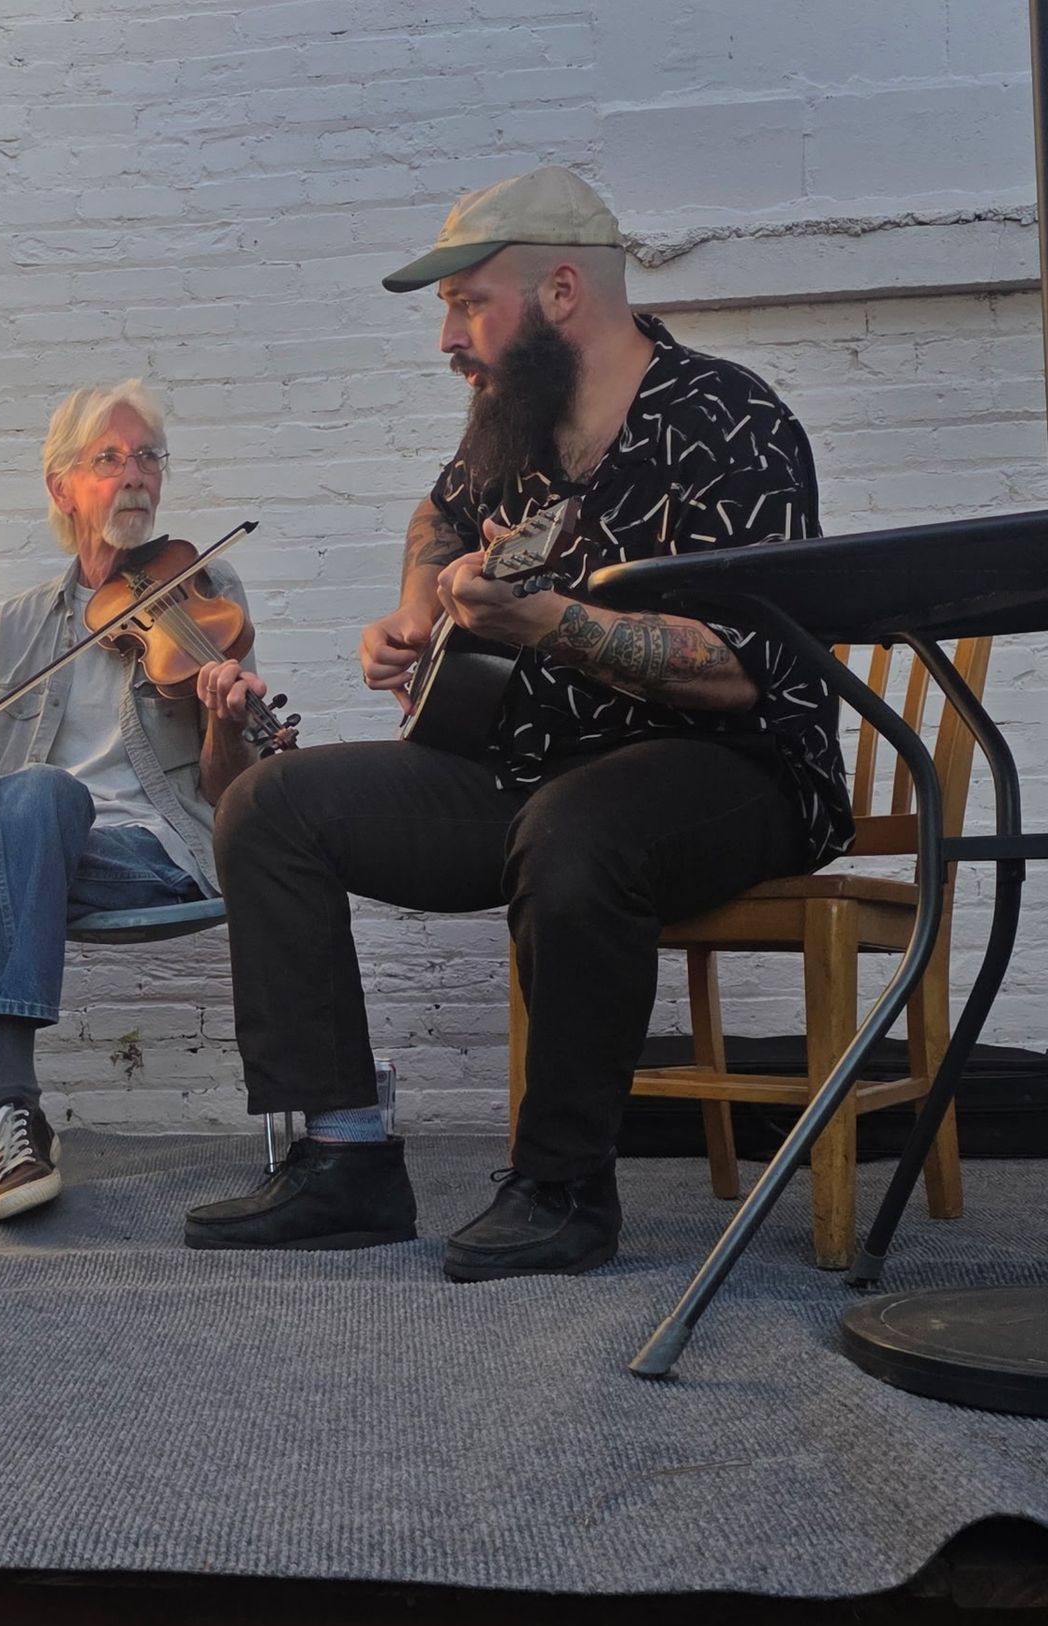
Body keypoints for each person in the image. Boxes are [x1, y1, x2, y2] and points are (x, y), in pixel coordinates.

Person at [184, 167, 851, 1279]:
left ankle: (563, 1187)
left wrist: (549, 622)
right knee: (269, 805)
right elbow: (438, 515)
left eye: (467, 304)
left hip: (729, 775)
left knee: (576, 828)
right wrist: (417, 608)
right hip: (528, 769)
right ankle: (344, 1158)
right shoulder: (516, 425)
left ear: (559, 293)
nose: (449, 337)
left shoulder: (731, 419)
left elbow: (748, 669)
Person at [0, 380, 265, 1234]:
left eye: (148, 457)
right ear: (62, 487)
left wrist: (226, 716)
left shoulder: (202, 591)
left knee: (34, 796)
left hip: (152, 853)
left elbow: (231, 788)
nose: (135, 475)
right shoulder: (17, 629)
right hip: (32, 857)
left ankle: (10, 1107)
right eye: (109, 459)